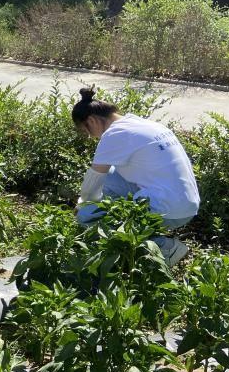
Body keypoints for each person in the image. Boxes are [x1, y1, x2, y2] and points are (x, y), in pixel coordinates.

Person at [72, 86, 200, 266]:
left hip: (171, 211)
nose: (91, 137)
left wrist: (82, 205)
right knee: (109, 174)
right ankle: (139, 228)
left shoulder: (113, 135)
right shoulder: (143, 124)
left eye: (87, 132)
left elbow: (92, 183)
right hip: (186, 204)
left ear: (91, 121)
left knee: (87, 216)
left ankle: (165, 247)